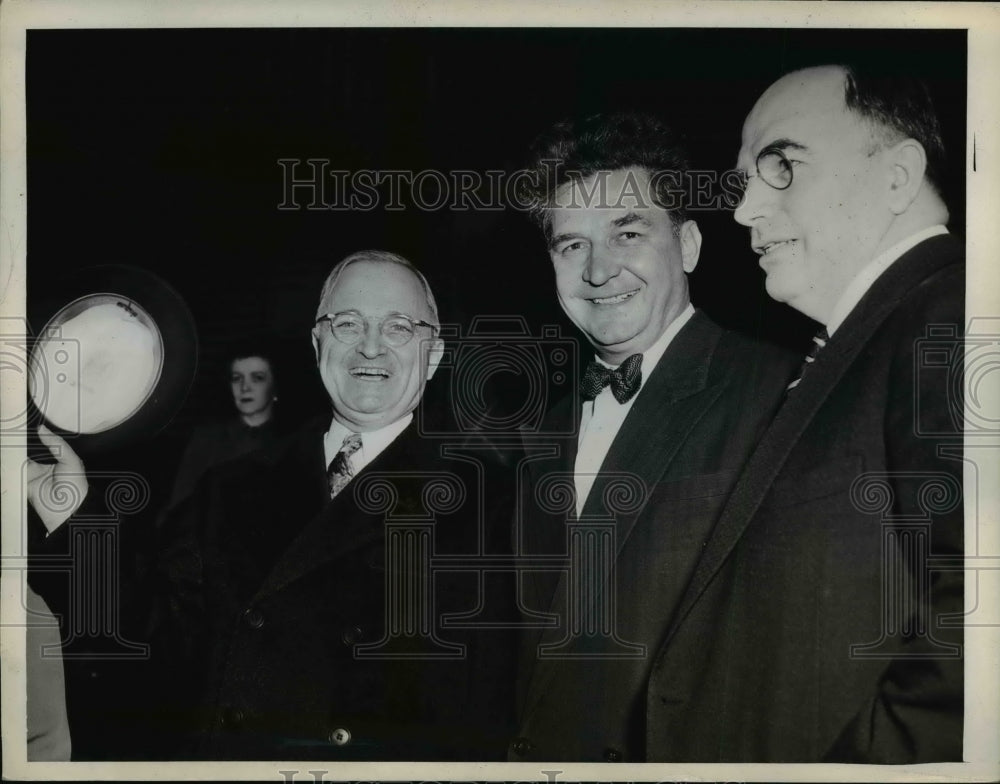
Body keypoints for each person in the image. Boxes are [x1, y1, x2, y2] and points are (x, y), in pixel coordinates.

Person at [27, 250, 516, 760]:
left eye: (398, 327)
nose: (370, 346)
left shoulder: (488, 507)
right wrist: (72, 520)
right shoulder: (228, 489)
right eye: (347, 324)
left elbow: (489, 720)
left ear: (433, 354)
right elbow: (143, 653)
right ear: (317, 342)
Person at [647, 65, 964, 762]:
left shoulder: (953, 315)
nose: (743, 210)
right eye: (745, 180)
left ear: (897, 176)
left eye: (782, 165)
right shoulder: (870, 341)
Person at [508, 113, 797, 762]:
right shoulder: (543, 428)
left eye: (628, 232)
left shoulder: (780, 392)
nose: (598, 271)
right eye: (571, 246)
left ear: (689, 244)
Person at [166, 339, 283, 508]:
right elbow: (179, 506)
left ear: (274, 387)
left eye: (257, 378)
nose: (245, 387)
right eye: (237, 378)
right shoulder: (206, 439)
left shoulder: (293, 438)